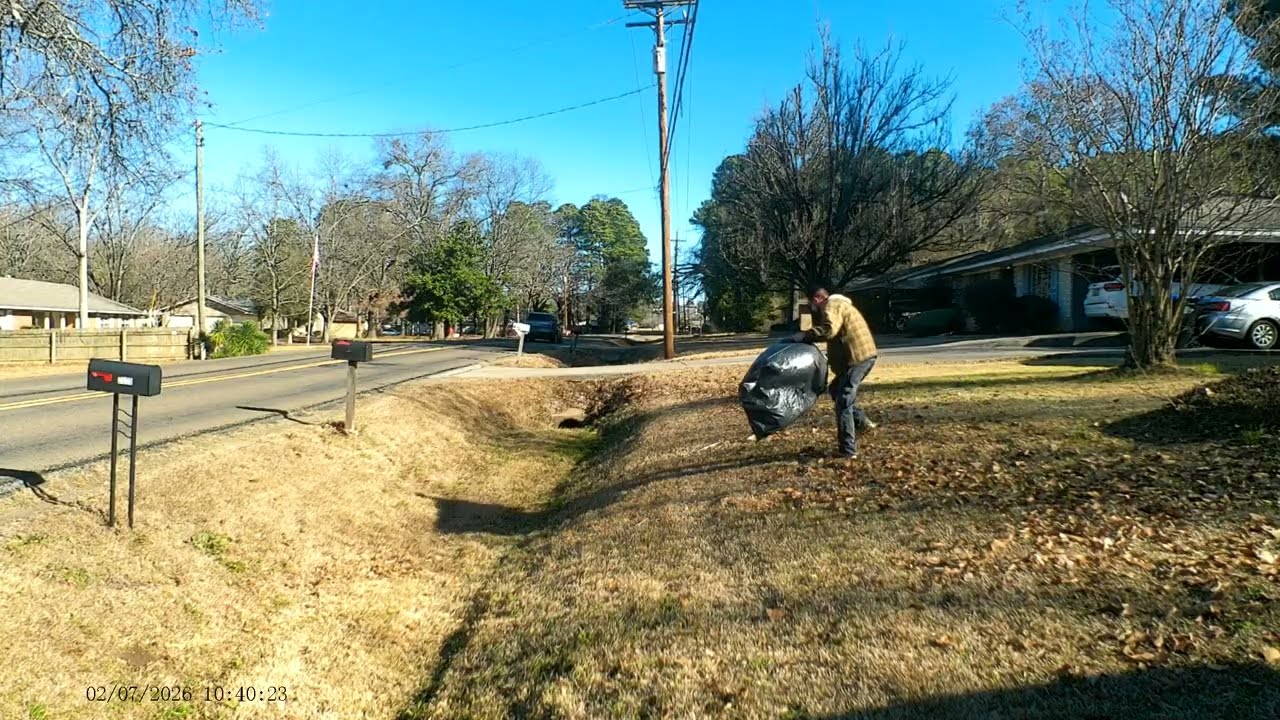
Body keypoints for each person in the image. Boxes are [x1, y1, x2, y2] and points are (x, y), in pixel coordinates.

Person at [792, 288, 878, 459]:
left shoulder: (832, 305)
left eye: (811, 303)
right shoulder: (840, 304)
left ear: (817, 298)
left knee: (843, 401)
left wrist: (804, 336)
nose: (812, 308)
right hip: (863, 356)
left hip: (857, 359)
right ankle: (862, 423)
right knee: (836, 390)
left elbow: (829, 329)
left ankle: (848, 451)